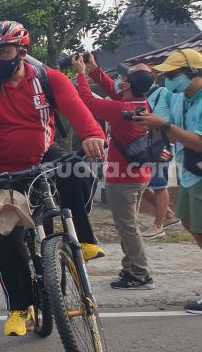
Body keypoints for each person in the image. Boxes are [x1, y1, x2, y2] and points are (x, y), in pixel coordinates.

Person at [0, 21, 107, 336]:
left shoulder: (48, 79)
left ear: (22, 52)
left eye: (4, 51)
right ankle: (19, 308)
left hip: (43, 156)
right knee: (7, 238)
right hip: (1, 170)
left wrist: (93, 134)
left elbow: (76, 108)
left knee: (78, 171)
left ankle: (81, 236)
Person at [73, 55, 156, 290]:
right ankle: (130, 268)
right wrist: (94, 69)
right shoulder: (139, 104)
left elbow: (87, 100)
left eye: (123, 78)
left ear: (128, 85)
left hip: (123, 179)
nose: (119, 80)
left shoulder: (121, 110)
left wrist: (80, 72)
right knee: (129, 225)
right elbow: (113, 89)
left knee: (127, 227)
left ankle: (140, 274)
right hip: (138, 176)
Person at [133, 48, 202, 314]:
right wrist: (152, 124)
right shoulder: (182, 98)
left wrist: (162, 126)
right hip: (191, 172)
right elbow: (176, 134)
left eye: (172, 74)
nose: (167, 80)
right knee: (188, 222)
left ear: (193, 72)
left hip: (198, 172)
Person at [141, 87, 179, 238]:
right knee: (140, 184)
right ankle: (169, 215)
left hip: (160, 144)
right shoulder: (139, 95)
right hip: (146, 144)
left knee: (159, 184)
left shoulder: (164, 93)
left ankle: (158, 226)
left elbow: (176, 116)